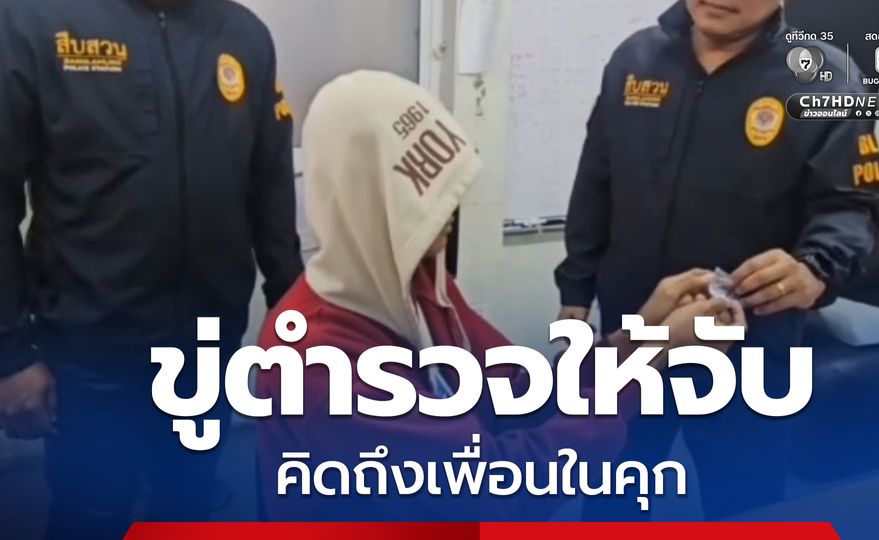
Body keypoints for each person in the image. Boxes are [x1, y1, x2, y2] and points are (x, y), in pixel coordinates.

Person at [256, 70, 746, 521]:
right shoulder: (317, 359)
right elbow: (492, 490)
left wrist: (637, 338)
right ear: (366, 202)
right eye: (423, 200)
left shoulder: (417, 284)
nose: (448, 214)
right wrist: (651, 360)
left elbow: (520, 390)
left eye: (449, 193)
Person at [555, 0, 879, 519]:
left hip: (751, 350)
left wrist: (815, 269)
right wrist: (576, 287)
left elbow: (852, 206)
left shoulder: (827, 79)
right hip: (637, 331)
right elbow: (596, 179)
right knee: (613, 494)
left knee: (745, 504)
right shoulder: (635, 59)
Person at [0, 0, 303, 537]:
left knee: (187, 503)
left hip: (207, 346)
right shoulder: (35, 21)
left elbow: (270, 186)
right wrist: (10, 353)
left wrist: (295, 315)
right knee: (90, 516)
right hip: (89, 352)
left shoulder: (243, 34)